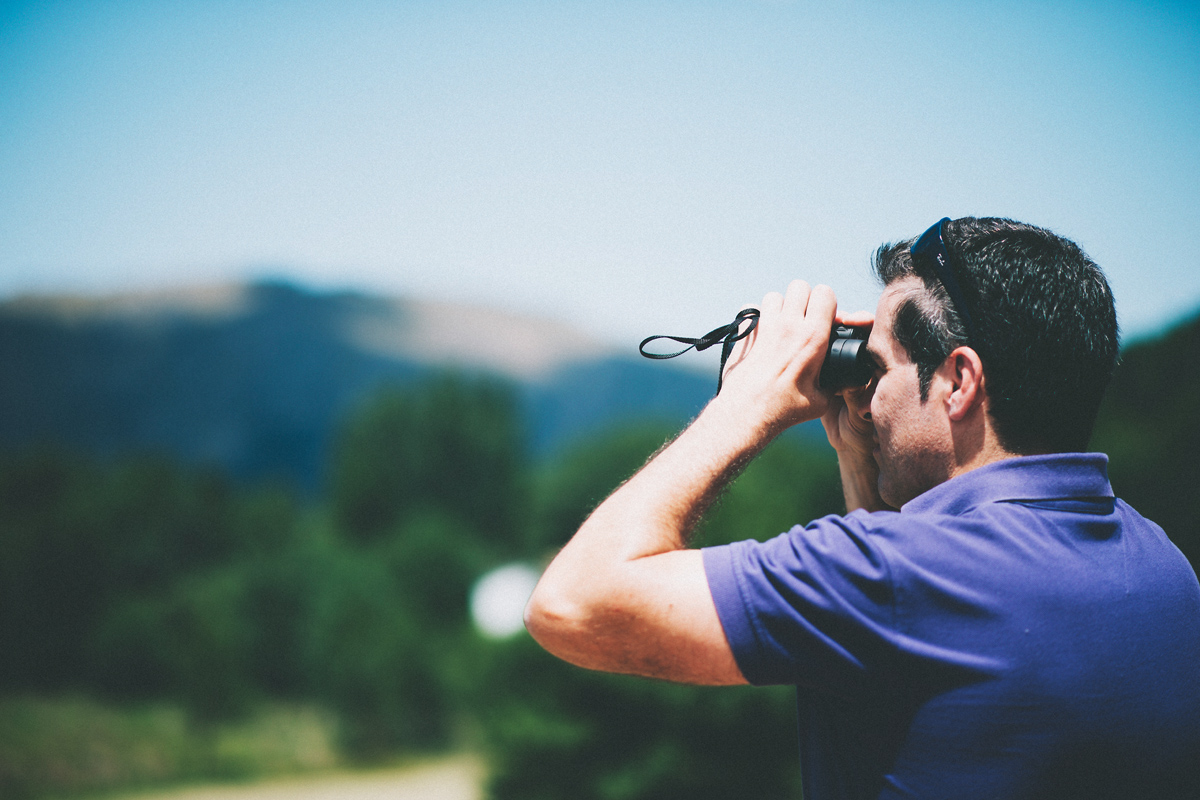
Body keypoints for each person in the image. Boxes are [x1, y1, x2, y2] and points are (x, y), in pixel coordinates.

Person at [523, 216, 1200, 799]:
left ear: (958, 380)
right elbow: (900, 653)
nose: (868, 395)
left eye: (880, 367)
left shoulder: (894, 576)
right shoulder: (1165, 570)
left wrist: (746, 404)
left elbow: (572, 605)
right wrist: (857, 455)